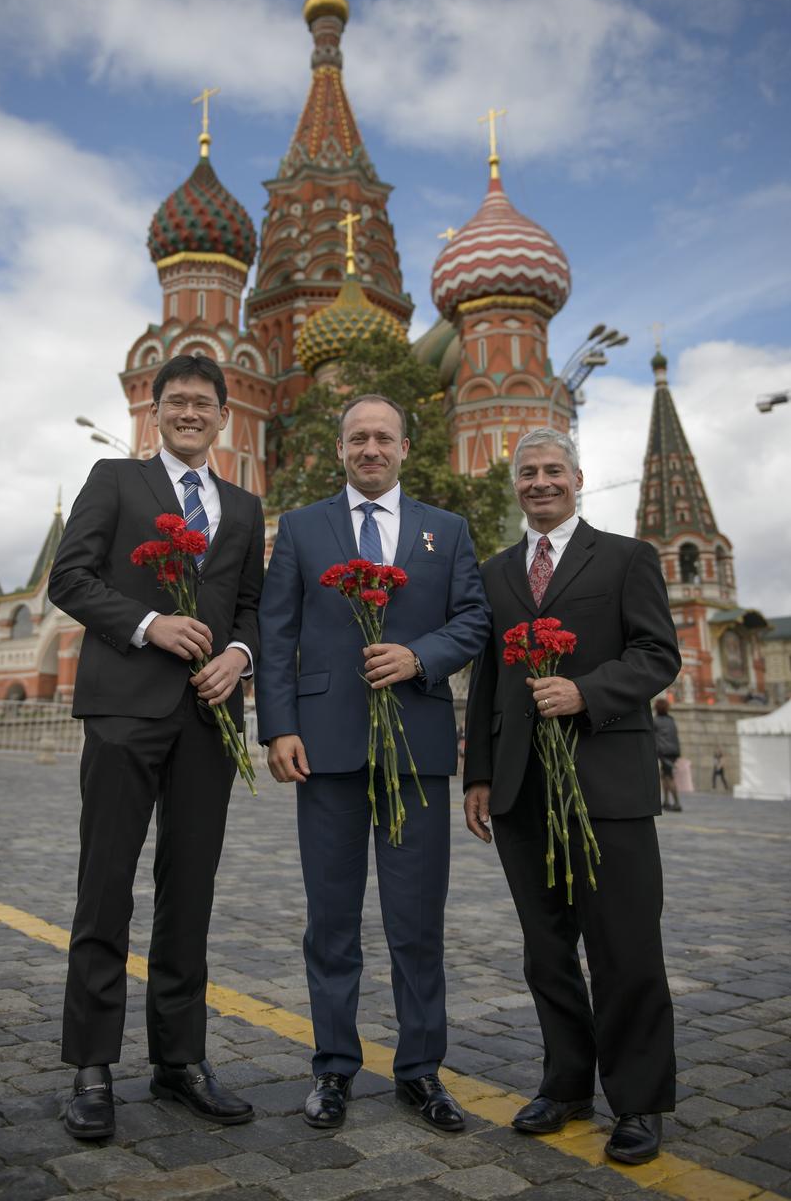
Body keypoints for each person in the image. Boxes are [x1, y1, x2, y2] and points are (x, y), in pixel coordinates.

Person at [257, 394, 490, 1132]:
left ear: (403, 449)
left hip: (416, 750)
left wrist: (420, 656)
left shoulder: (445, 531)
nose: (370, 448)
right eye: (357, 438)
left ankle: (421, 1070)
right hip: (323, 751)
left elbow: (474, 619)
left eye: (382, 437)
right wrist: (278, 729)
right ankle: (332, 1070)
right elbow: (275, 634)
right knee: (331, 923)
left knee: (416, 923)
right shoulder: (299, 527)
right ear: (340, 451)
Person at [48, 355, 265, 1140]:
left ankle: (180, 1060)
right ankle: (93, 1064)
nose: (190, 413)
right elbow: (67, 580)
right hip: (124, 711)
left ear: (223, 416)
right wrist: (151, 626)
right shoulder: (114, 479)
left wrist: (238, 659)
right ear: (155, 410)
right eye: (176, 402)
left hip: (209, 720)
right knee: (104, 883)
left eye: (204, 404)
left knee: (190, 893)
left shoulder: (242, 507)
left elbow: (250, 608)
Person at [463, 427, 681, 1166]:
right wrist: (481, 775)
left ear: (579, 477)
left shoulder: (626, 558)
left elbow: (657, 654)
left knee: (626, 948)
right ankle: (565, 1085)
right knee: (547, 951)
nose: (541, 483)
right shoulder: (496, 573)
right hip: (523, 788)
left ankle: (641, 1102)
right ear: (516, 485)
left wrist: (584, 692)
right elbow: (490, 681)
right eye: (528, 473)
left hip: (607, 785)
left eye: (554, 470)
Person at [654, 698, 682, 811]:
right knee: (664, 775)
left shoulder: (655, 721)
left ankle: (677, 803)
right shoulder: (671, 720)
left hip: (664, 752)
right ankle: (666, 801)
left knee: (669, 776)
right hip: (674, 751)